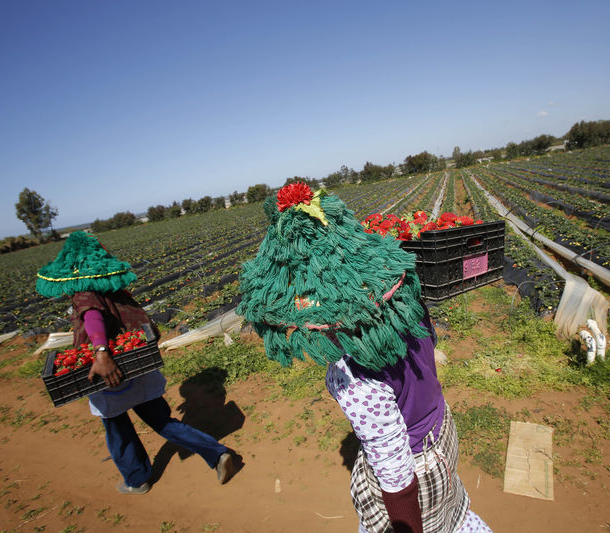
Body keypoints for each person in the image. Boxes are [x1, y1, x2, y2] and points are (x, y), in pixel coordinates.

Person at [238, 183, 492, 532]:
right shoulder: (407, 303)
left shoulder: (354, 377)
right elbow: (428, 345)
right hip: (443, 432)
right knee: (454, 516)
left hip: (416, 468)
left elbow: (393, 466)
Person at [36, 231, 235, 494]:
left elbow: (92, 318)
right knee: (163, 422)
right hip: (136, 367)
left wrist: (102, 353)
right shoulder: (113, 289)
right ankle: (217, 453)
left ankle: (137, 478)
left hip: (109, 372)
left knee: (117, 429)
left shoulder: (84, 292)